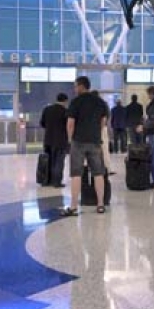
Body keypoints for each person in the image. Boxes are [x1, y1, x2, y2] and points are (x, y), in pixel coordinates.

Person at [63, 76, 109, 215]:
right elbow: (103, 122)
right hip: (95, 142)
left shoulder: (76, 102)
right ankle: (100, 204)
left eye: (76, 86)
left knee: (76, 173)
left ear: (82, 86)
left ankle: (73, 207)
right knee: (98, 173)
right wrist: (96, 134)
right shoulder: (100, 102)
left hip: (78, 141)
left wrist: (71, 139)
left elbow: (70, 123)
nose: (75, 89)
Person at [40, 92, 69, 188]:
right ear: (65, 101)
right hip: (61, 140)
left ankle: (47, 181)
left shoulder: (47, 109)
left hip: (48, 140)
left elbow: (42, 123)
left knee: (48, 160)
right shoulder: (66, 111)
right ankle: (57, 182)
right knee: (59, 161)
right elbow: (68, 126)